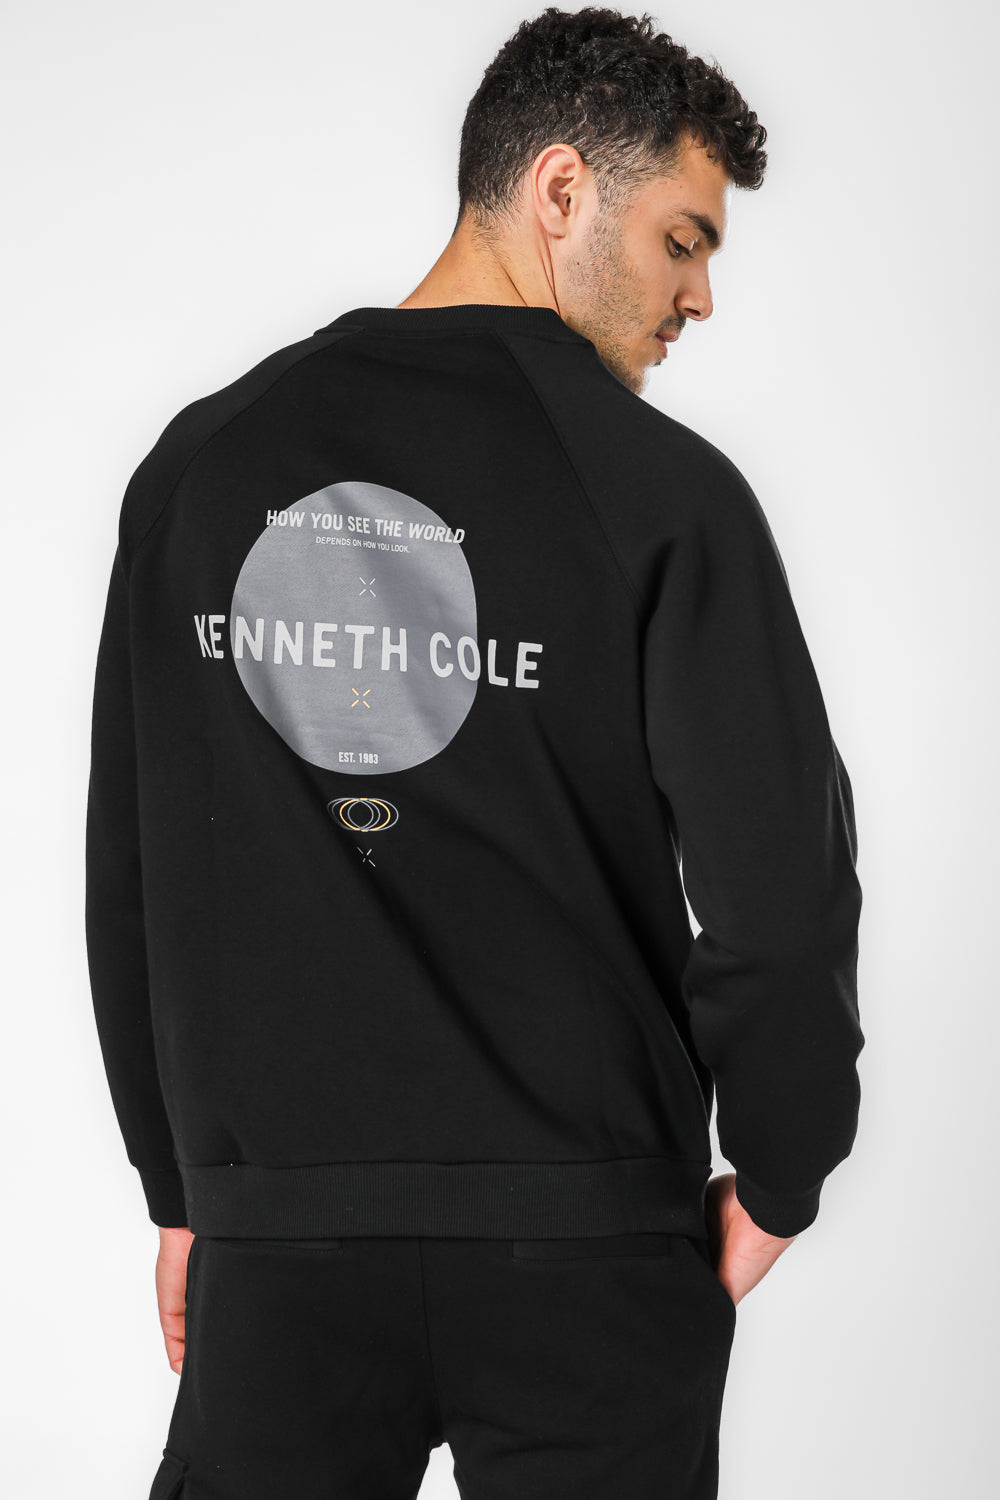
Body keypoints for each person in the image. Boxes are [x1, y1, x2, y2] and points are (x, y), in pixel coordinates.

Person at [85, 8, 864, 1499]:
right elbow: (780, 892)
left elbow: (133, 868)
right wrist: (782, 1172)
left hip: (285, 1249)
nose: (699, 298)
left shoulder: (204, 463)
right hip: (593, 1252)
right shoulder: (665, 495)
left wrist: (183, 1191)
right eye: (683, 241)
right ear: (560, 190)